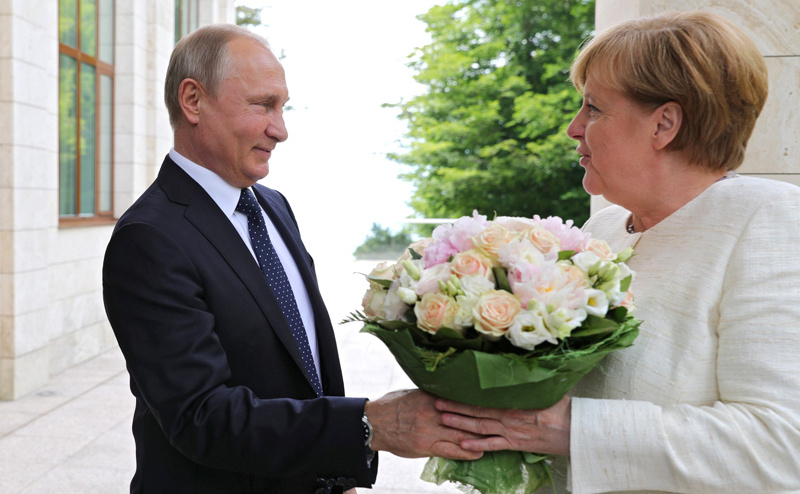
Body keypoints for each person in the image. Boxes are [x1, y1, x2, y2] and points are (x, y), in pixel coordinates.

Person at [102, 24, 481, 494]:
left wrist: (335, 475)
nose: (280, 130)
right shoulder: (149, 238)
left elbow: (306, 368)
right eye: (262, 105)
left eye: (283, 107)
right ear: (193, 101)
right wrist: (369, 425)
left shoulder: (273, 206)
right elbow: (202, 417)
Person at [435, 10, 800, 493]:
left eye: (593, 108)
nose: (573, 127)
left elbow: (781, 448)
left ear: (664, 124)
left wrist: (569, 430)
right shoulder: (605, 227)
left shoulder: (770, 221)